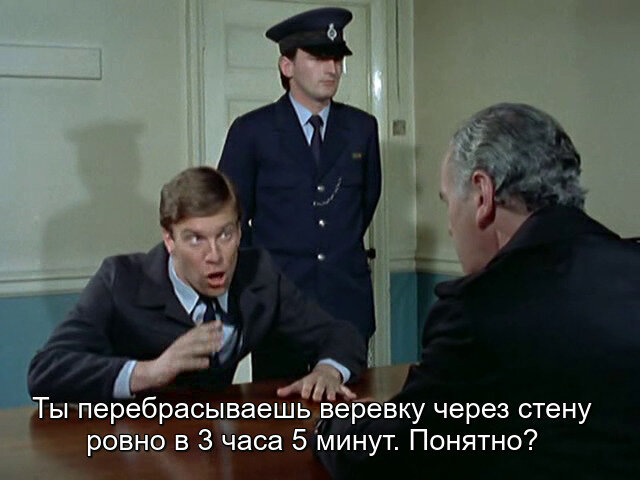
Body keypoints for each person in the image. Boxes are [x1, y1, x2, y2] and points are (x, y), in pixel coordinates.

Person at [314, 103, 640, 478]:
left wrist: (334, 426)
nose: (451, 227)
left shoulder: (476, 311)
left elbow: (388, 458)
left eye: (449, 202)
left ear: (482, 194)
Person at [28, 167, 366, 403]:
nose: (214, 255)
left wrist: (328, 370)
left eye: (225, 234)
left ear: (239, 231)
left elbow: (340, 334)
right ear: (169, 239)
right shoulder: (122, 280)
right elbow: (45, 371)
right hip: (130, 449)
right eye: (195, 239)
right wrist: (149, 372)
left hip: (215, 444)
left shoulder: (258, 273)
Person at [218, 7, 381, 380]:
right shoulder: (252, 131)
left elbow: (365, 203)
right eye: (319, 58)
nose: (332, 69)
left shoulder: (361, 128)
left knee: (350, 408)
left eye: (337, 59)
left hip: (346, 303)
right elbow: (230, 218)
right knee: (280, 409)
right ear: (287, 65)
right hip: (279, 308)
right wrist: (259, 280)